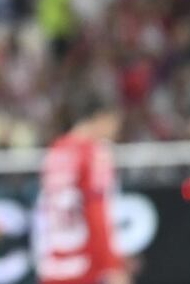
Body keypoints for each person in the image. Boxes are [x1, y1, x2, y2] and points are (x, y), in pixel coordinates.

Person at [34, 92, 129, 284]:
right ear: (102, 118)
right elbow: (97, 212)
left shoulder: (56, 150)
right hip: (84, 266)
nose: (115, 132)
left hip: (54, 265)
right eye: (114, 124)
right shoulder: (94, 153)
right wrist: (112, 266)